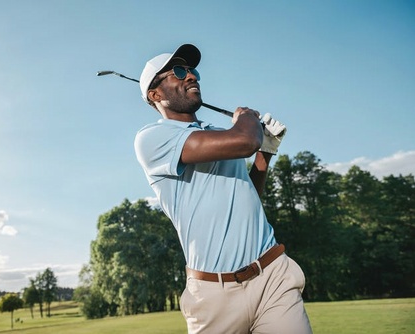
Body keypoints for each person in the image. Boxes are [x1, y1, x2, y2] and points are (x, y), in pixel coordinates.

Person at [134, 44, 312, 334]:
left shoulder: (220, 135)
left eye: (192, 71)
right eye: (178, 72)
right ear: (155, 95)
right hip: (213, 294)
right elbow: (244, 141)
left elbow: (247, 195)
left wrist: (264, 153)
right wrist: (247, 117)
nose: (191, 76)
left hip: (272, 276)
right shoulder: (152, 138)